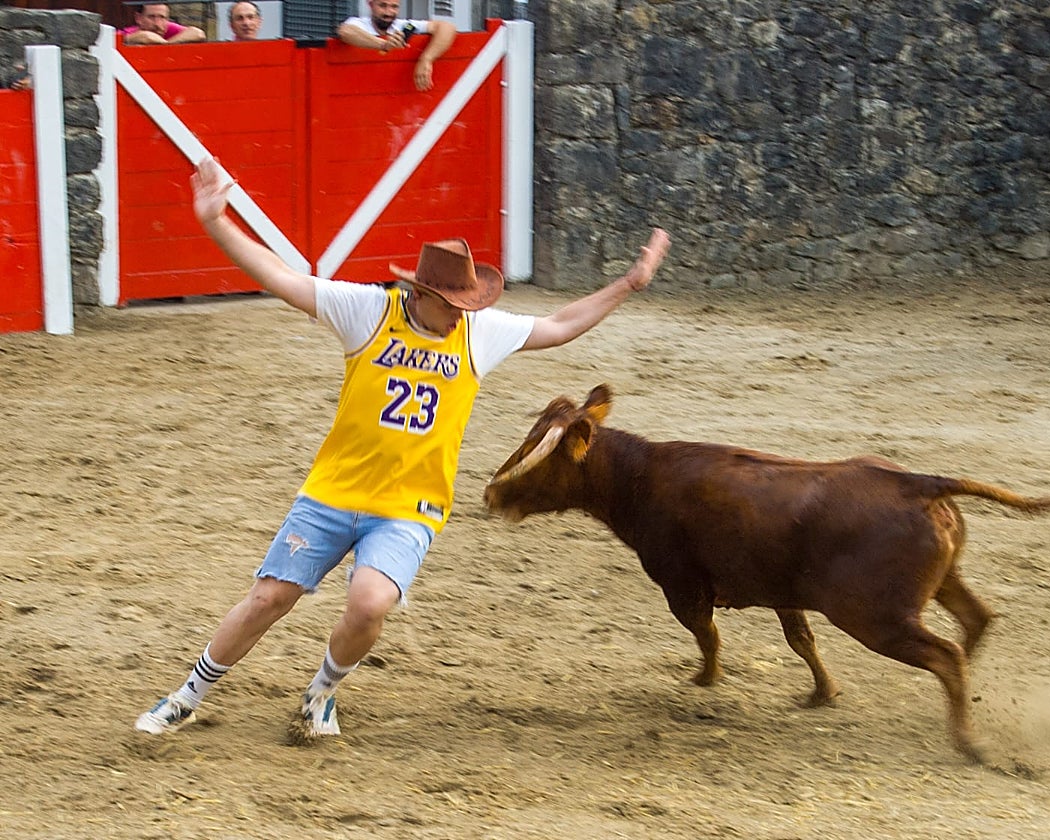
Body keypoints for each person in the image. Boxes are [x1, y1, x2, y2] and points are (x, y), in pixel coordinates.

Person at [134, 157, 671, 742]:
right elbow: (279, 277)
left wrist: (628, 285)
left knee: (369, 605)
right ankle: (187, 696)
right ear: (422, 294)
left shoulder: (478, 333)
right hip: (332, 493)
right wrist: (217, 223)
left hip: (410, 508)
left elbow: (560, 324)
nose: (466, 313)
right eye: (455, 303)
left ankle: (320, 695)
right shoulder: (368, 311)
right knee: (270, 597)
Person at [336, 0, 456, 92]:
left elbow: (447, 27)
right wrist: (383, 44)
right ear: (371, 5)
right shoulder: (359, 23)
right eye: (383, 5)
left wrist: (426, 59)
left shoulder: (404, 26)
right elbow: (345, 31)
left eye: (394, 6)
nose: (389, 12)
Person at [120, 3, 206, 45]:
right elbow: (145, 36)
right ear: (138, 18)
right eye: (151, 17)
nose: (157, 23)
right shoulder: (127, 32)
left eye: (162, 17)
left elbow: (198, 33)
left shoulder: (170, 27)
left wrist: (167, 44)